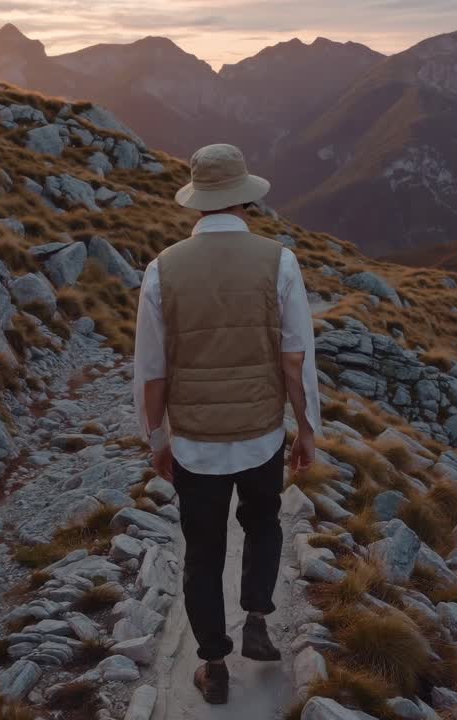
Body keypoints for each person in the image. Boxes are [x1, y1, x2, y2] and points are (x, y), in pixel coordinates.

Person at [133, 143, 321, 705]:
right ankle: (258, 620)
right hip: (262, 433)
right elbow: (296, 358)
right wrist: (307, 429)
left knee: (203, 552)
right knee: (263, 524)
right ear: (245, 200)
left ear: (198, 205)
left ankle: (213, 664)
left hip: (194, 444)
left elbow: (151, 371)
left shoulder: (161, 270)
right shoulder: (279, 261)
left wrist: (158, 441)